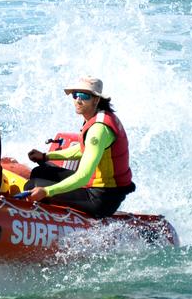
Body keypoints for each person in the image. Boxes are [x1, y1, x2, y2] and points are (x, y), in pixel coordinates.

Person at [25, 77, 136, 217]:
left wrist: (47, 191)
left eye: (84, 96)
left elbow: (83, 176)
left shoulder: (99, 129)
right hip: (95, 185)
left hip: (102, 197)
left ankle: (49, 223)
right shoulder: (97, 116)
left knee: (31, 186)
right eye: (75, 94)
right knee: (40, 172)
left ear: (96, 100)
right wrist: (46, 156)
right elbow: (83, 148)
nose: (78, 100)